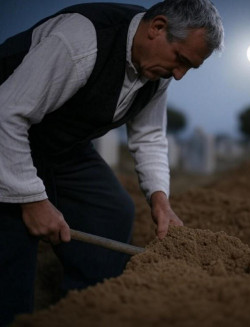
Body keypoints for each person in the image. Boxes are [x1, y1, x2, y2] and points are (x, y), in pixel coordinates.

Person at [0, 0, 224, 324]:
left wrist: (161, 201)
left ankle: (88, 308)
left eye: (190, 67)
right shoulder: (81, 40)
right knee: (13, 230)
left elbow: (148, 136)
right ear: (157, 28)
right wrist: (31, 198)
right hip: (7, 131)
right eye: (180, 60)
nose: (179, 75)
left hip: (62, 145)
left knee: (111, 211)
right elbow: (7, 115)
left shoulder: (157, 74)